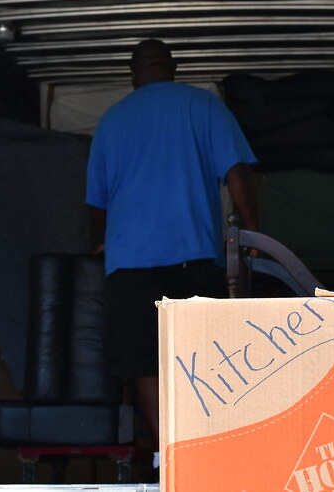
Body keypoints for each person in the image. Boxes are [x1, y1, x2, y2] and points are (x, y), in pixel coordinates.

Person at [85, 39, 258, 455]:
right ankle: (204, 451)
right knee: (206, 357)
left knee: (146, 362)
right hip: (193, 255)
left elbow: (96, 199)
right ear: (173, 66)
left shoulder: (111, 120)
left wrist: (100, 241)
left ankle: (170, 458)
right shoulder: (204, 106)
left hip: (129, 263)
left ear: (133, 73)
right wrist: (253, 233)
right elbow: (237, 172)